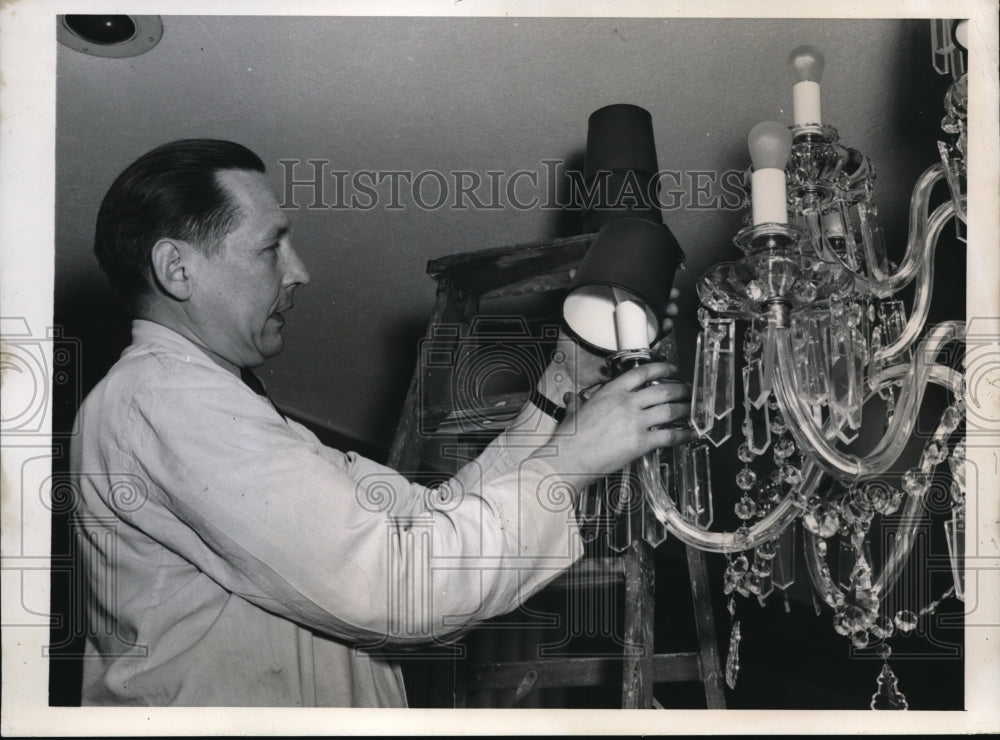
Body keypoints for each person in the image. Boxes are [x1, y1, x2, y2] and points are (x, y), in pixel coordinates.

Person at [71, 139, 694, 707]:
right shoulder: (163, 395)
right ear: (178, 269)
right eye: (270, 246)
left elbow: (435, 517)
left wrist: (561, 382)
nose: (299, 270)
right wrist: (574, 460)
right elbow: (397, 586)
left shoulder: (227, 412)